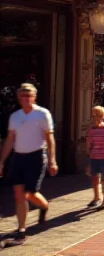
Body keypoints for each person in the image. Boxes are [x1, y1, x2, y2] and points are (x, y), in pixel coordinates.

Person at [0, 83, 57, 246]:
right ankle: (21, 231)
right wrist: (2, 161)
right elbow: (10, 139)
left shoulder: (42, 114)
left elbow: (49, 138)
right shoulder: (15, 117)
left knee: (30, 193)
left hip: (37, 156)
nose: (26, 99)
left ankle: (44, 206)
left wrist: (52, 160)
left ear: (34, 97)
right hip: (19, 157)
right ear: (18, 98)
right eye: (23, 95)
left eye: (29, 95)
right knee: (19, 193)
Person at [85, 105, 104, 209]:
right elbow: (88, 146)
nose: (94, 117)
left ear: (102, 116)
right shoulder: (90, 130)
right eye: (93, 115)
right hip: (94, 157)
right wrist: (88, 160)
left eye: (96, 115)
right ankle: (97, 197)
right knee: (94, 178)